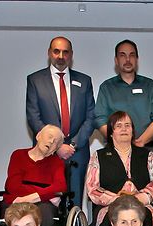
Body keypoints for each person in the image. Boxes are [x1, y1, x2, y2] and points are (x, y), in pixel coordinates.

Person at [26, 36, 95, 206]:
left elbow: (91, 116)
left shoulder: (84, 81)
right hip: (47, 152)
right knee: (48, 203)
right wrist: (56, 146)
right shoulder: (35, 80)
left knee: (75, 203)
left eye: (65, 52)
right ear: (49, 53)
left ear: (71, 55)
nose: (61, 56)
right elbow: (34, 117)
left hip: (77, 152)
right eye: (56, 51)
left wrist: (72, 145)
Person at [85, 111, 153, 226]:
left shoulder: (147, 155)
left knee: (145, 219)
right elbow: (92, 188)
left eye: (128, 125)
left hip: (142, 204)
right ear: (111, 132)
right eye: (119, 126)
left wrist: (142, 197)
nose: (124, 129)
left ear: (132, 131)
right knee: (109, 222)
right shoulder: (99, 156)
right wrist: (117, 200)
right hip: (111, 206)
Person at [94, 40, 153, 148]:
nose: (128, 60)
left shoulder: (149, 85)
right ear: (116, 60)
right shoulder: (106, 87)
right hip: (115, 148)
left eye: (132, 55)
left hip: (145, 148)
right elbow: (100, 119)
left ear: (137, 59)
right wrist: (117, 141)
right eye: (123, 55)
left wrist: (141, 141)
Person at [3, 125, 67, 226]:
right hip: (15, 203)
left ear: (56, 149)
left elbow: (60, 187)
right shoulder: (18, 155)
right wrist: (46, 193)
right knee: (12, 212)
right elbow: (13, 186)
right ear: (38, 136)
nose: (52, 141)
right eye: (49, 136)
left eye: (56, 142)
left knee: (44, 212)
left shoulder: (57, 163)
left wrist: (27, 198)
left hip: (39, 204)